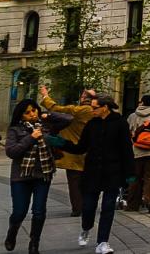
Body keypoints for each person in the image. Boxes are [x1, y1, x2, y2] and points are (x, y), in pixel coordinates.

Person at [47, 95, 135, 254]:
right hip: (92, 172)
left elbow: (126, 149)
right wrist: (59, 142)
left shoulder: (120, 123)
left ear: (105, 108)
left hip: (113, 172)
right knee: (88, 207)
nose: (92, 110)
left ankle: (102, 242)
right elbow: (80, 148)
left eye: (95, 108)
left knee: (108, 207)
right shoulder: (91, 124)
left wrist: (130, 174)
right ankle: (86, 227)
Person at [3, 99, 71, 253]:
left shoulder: (46, 126)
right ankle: (12, 232)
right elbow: (11, 152)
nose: (32, 114)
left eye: (34, 110)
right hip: (21, 176)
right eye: (27, 112)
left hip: (43, 175)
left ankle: (34, 243)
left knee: (39, 211)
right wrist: (31, 137)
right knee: (19, 212)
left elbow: (68, 119)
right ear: (21, 116)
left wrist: (48, 115)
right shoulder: (15, 130)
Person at [39, 85, 95, 217]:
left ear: (83, 98)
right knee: (87, 180)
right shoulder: (97, 110)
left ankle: (77, 208)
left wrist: (45, 95)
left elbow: (56, 108)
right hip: (90, 151)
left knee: (74, 181)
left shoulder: (81, 110)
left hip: (74, 150)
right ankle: (85, 205)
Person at [125, 95, 150, 213]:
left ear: (142, 102)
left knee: (134, 178)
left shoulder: (133, 116)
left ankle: (132, 204)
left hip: (136, 152)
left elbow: (128, 132)